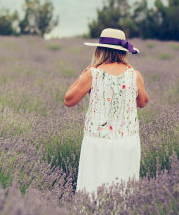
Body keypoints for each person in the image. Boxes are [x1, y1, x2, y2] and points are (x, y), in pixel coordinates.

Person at [64, 28, 149, 194]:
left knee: (94, 185)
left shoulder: (92, 74)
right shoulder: (134, 75)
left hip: (97, 141)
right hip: (127, 140)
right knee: (124, 186)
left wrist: (82, 75)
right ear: (123, 52)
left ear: (100, 49)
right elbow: (143, 102)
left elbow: (69, 100)